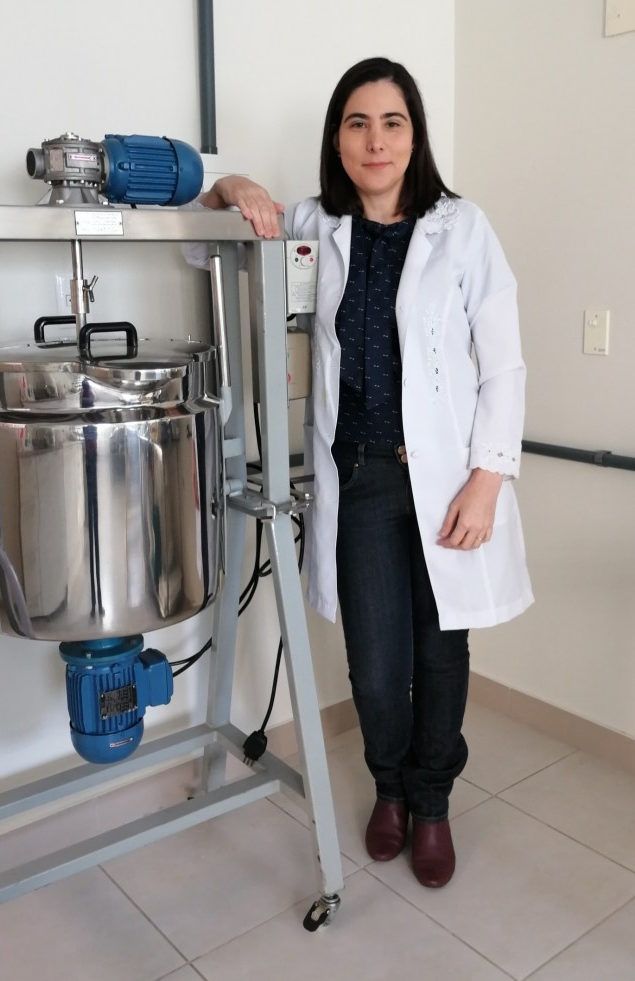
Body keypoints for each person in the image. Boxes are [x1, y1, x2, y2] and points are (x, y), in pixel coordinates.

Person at [187, 56, 533, 887]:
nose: (376, 140)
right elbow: (206, 238)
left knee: (440, 651)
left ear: (415, 136)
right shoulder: (314, 223)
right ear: (337, 139)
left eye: (393, 122)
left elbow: (504, 364)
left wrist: (488, 479)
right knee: (377, 664)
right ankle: (389, 786)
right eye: (358, 123)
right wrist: (231, 185)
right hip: (363, 479)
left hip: (448, 479)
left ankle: (432, 800)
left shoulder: (462, 227)